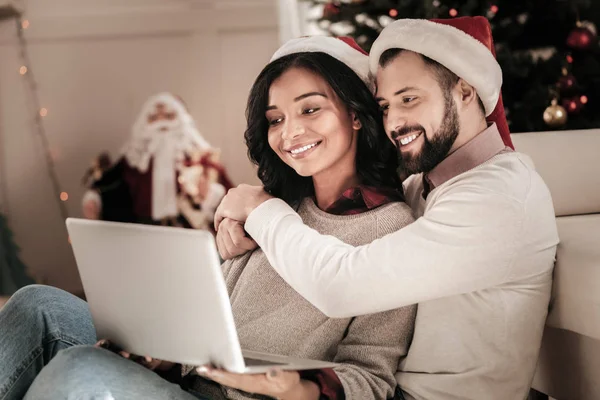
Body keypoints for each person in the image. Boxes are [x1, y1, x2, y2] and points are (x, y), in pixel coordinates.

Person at [0, 37, 416, 400]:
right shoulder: (268, 208)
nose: (290, 134)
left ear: (356, 114)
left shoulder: (390, 229)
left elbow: (371, 377)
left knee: (80, 369)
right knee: (37, 304)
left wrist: (295, 387)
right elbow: (213, 327)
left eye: (310, 109)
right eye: (276, 119)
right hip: (192, 377)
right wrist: (164, 355)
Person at [214, 17, 559, 400]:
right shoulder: (422, 187)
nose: (394, 122)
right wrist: (237, 211)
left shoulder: (497, 198)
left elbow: (341, 287)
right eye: (385, 106)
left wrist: (261, 209)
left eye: (409, 99)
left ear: (465, 90)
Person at [81, 92, 231, 229]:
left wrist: (210, 196)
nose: (161, 123)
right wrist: (95, 200)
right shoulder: (135, 161)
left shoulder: (202, 161)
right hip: (143, 234)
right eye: (154, 118)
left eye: (168, 117)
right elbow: (112, 187)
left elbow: (230, 199)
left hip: (187, 234)